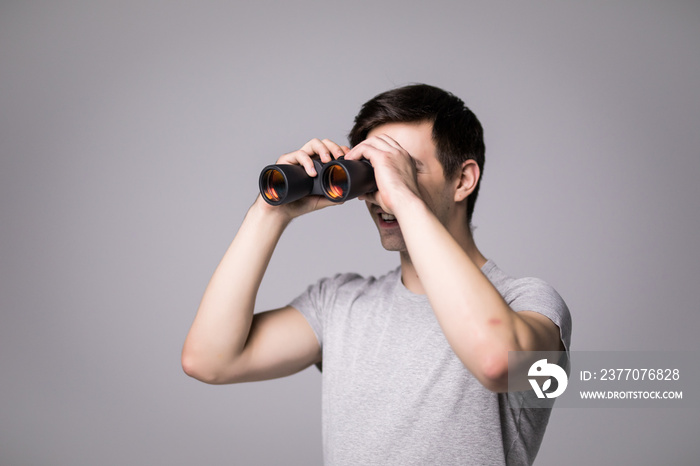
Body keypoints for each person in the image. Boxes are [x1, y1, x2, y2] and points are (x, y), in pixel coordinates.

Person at [182, 83, 572, 465]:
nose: (379, 192)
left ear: (463, 180)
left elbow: (497, 364)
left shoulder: (527, 303)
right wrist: (269, 212)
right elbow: (210, 360)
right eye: (372, 172)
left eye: (406, 169)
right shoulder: (340, 304)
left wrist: (402, 195)